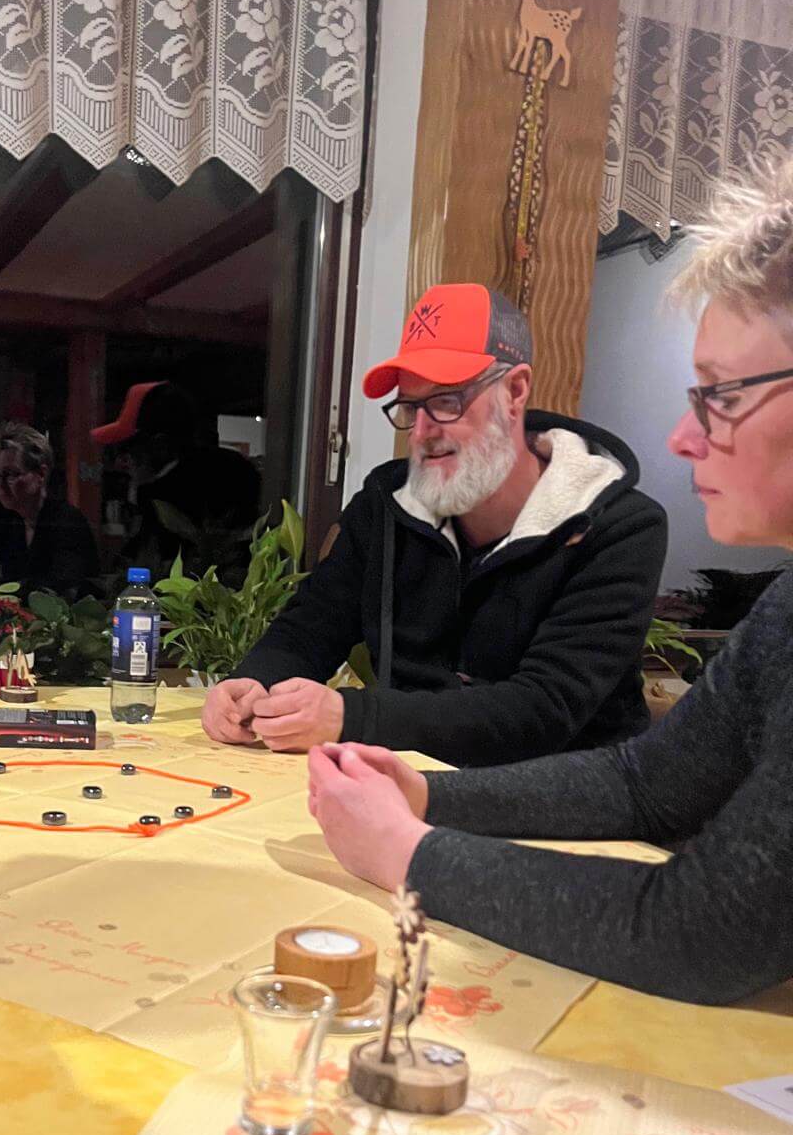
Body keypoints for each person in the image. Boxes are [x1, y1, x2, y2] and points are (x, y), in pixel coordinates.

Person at [309, 160, 793, 1004]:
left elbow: (708, 934)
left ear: (515, 393)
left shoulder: (620, 523)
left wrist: (408, 852)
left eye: (720, 395)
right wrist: (426, 793)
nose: (681, 439)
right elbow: (643, 782)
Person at [203, 285, 668, 765]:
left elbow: (545, 710)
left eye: (447, 401)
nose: (423, 432)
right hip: (408, 781)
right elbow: (310, 627)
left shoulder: (621, 527)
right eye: (410, 407)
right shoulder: (385, 505)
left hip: (564, 794)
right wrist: (253, 682)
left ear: (515, 391)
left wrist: (351, 717)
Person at [92, 381, 262, 575]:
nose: (122, 461)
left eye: (127, 448)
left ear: (160, 445)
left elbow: (147, 561)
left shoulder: (166, 494)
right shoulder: (234, 466)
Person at [0, 421, 99, 595]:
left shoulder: (66, 521)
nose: (1, 485)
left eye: (11, 474)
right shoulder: (5, 519)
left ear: (41, 474)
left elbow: (62, 587)